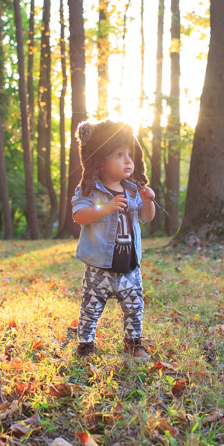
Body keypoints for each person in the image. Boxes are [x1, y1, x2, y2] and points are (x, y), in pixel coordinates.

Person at [71, 119, 155, 360]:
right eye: (119, 154)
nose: (128, 160)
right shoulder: (89, 190)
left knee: (134, 306)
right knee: (91, 307)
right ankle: (86, 346)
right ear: (100, 158)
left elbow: (146, 218)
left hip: (129, 266)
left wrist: (148, 201)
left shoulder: (132, 190)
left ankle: (133, 342)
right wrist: (105, 208)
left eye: (130, 154)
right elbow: (79, 216)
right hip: (100, 267)